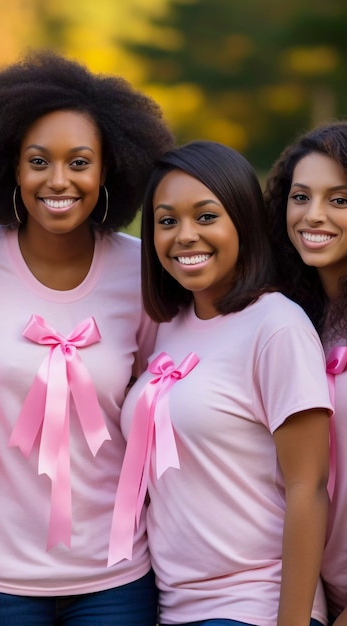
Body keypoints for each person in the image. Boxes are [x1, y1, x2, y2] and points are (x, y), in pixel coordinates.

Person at [0, 50, 174, 625]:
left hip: (116, 577)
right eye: (38, 161)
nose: (58, 180)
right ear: (11, 167)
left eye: (79, 162)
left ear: (110, 168)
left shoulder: (144, 271)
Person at [115, 140, 331, 626]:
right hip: (172, 607)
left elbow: (308, 486)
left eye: (206, 216)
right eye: (167, 221)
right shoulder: (167, 327)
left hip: (255, 604)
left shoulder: (277, 326)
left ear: (243, 220)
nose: (184, 235)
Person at [266, 121, 347, 626]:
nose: (313, 215)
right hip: (317, 592)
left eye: (340, 200)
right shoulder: (288, 319)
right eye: (301, 196)